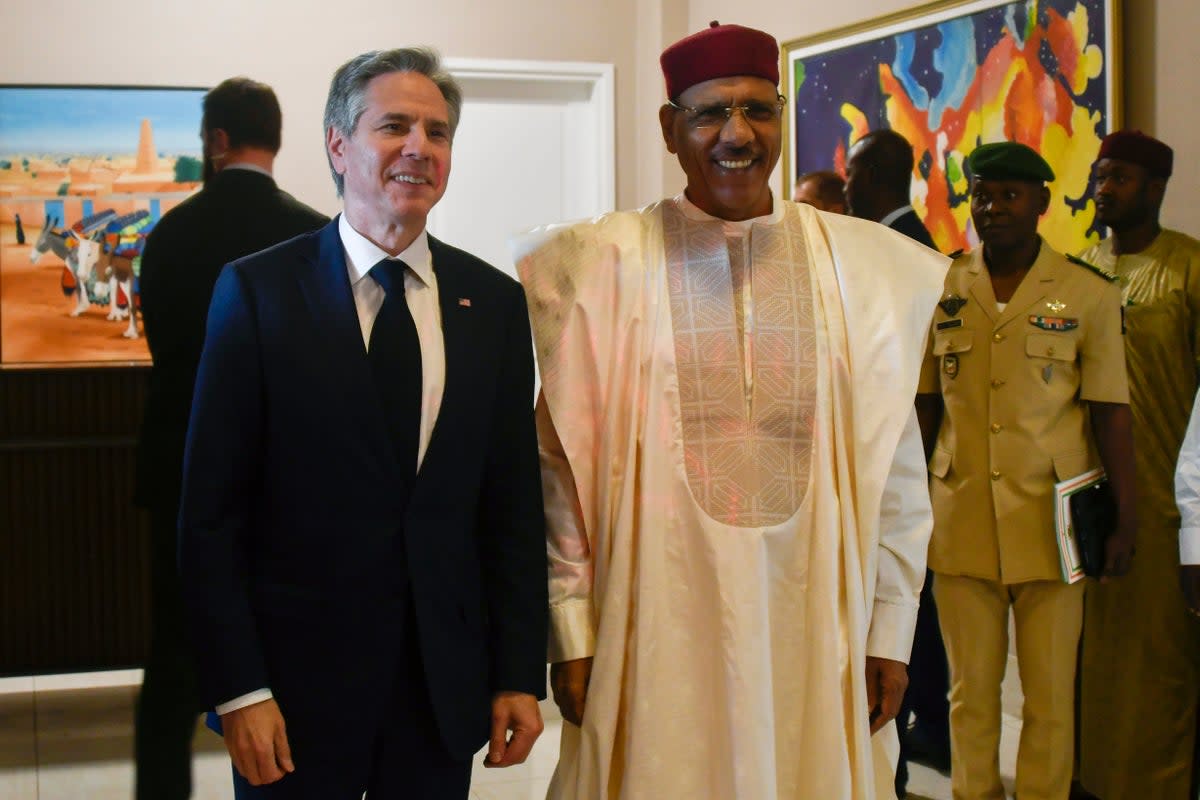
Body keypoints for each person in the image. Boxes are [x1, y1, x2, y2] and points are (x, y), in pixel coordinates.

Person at [513, 22, 949, 799]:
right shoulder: (600, 266)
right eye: (711, 113)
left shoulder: (862, 268)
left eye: (758, 110)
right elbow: (561, 472)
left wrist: (892, 629)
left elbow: (896, 469)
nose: (737, 135)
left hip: (820, 618)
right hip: (652, 621)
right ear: (669, 128)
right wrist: (571, 629)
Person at [177, 48, 547, 799]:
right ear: (338, 146)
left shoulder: (495, 306)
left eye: (437, 132)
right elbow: (210, 517)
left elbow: (509, 508)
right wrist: (240, 690)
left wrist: (517, 674)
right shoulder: (257, 294)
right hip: (294, 697)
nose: (420, 147)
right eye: (395, 126)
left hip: (438, 694)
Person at [915, 142, 1136, 800]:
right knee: (969, 697)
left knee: (1047, 698)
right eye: (982, 194)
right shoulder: (942, 285)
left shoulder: (1086, 294)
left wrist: (1126, 517)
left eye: (1010, 194)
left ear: (1041, 203)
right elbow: (925, 406)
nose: (993, 207)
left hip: (1055, 520)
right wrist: (900, 505)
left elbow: (1110, 414)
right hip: (960, 519)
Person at [133, 76, 328, 800]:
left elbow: (164, 355)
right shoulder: (314, 235)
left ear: (215, 142)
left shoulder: (171, 235)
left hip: (182, 474)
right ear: (274, 139)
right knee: (287, 657)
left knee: (173, 659)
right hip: (290, 485)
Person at [1076, 130, 1200, 800]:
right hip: (1089, 500)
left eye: (1119, 177)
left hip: (1165, 500)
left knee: (1161, 660)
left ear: (1155, 187)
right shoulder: (1080, 267)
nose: (1104, 187)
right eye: (1099, 174)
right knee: (1093, 657)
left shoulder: (1188, 268)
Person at [845, 127, 950, 796]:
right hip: (912, 471)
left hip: (908, 468)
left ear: (874, 177)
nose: (848, 187)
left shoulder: (899, 253)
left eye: (854, 175)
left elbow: (918, 390)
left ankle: (911, 752)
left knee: (911, 630)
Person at [845, 129, 936, 249]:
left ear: (870, 175)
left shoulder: (898, 246)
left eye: (849, 174)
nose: (845, 189)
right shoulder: (909, 235)